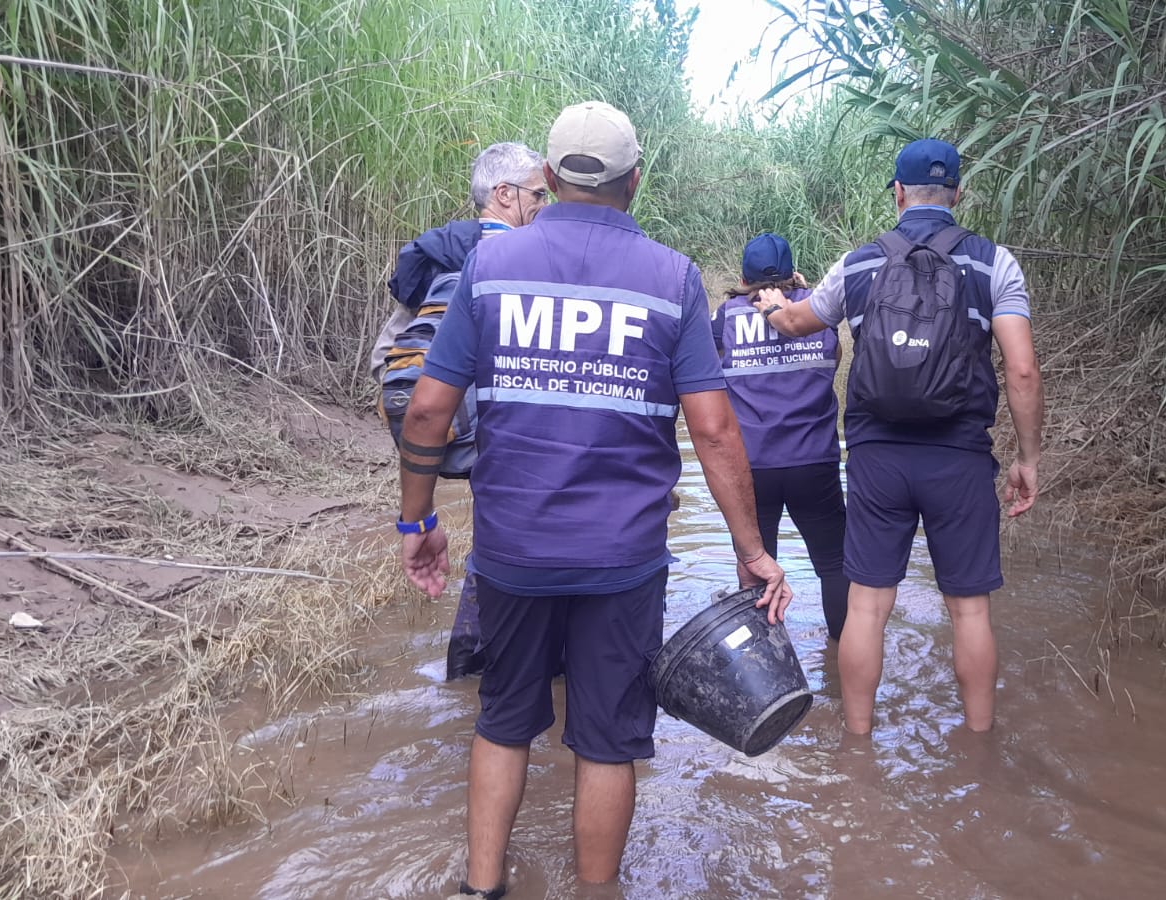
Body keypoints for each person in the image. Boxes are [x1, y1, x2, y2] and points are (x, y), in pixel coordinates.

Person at [392, 101, 792, 898]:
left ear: (548, 176)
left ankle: (481, 888)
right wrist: (752, 551)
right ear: (635, 180)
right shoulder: (672, 278)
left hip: (512, 551)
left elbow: (429, 411)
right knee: (608, 740)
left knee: (503, 720)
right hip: (623, 559)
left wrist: (419, 520)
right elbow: (714, 432)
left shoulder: (491, 268)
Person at [754, 138, 1044, 736]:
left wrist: (776, 304)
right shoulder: (994, 263)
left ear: (898, 194)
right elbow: (1021, 370)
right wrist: (1028, 458)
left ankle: (858, 745)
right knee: (969, 610)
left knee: (866, 606)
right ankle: (979, 744)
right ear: (958, 195)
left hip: (877, 457)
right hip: (959, 456)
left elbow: (797, 323)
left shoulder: (859, 264)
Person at [371, 142, 549, 682]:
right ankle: (507, 670)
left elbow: (386, 359)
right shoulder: (529, 257)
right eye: (539, 194)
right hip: (511, 437)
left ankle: (469, 673)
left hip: (453, 430)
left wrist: (420, 516)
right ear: (504, 194)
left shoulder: (441, 253)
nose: (546, 204)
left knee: (494, 548)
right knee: (516, 551)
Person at [711, 233, 848, 641]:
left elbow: (710, 376)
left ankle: (766, 658)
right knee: (834, 564)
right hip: (814, 461)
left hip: (752, 467)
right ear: (793, 273)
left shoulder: (725, 318)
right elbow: (835, 358)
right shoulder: (815, 311)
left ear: (743, 278)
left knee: (756, 564)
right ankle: (841, 655)